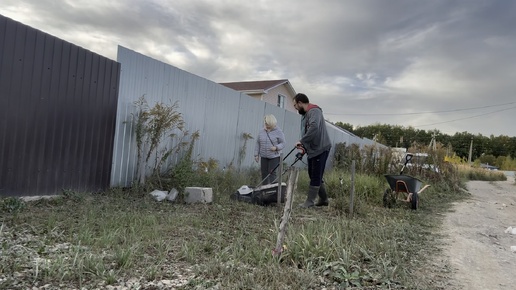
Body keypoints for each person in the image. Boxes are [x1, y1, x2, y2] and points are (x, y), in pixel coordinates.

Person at [293, 93, 332, 208]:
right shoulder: (306, 114)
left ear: (300, 103)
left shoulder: (314, 111)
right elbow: (307, 131)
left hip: (321, 147)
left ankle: (309, 202)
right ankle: (324, 199)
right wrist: (304, 147)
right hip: (313, 149)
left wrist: (302, 141)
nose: (295, 108)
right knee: (313, 174)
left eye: (295, 105)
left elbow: (314, 127)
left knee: (315, 175)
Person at [254, 114, 286, 185]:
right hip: (264, 156)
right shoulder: (261, 131)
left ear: (272, 123)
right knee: (264, 173)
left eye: (267, 123)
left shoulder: (278, 132)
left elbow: (283, 143)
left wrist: (276, 147)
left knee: (271, 173)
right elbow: (258, 143)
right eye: (265, 123)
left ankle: (272, 189)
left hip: (274, 157)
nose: (266, 125)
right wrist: (256, 155)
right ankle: (264, 189)